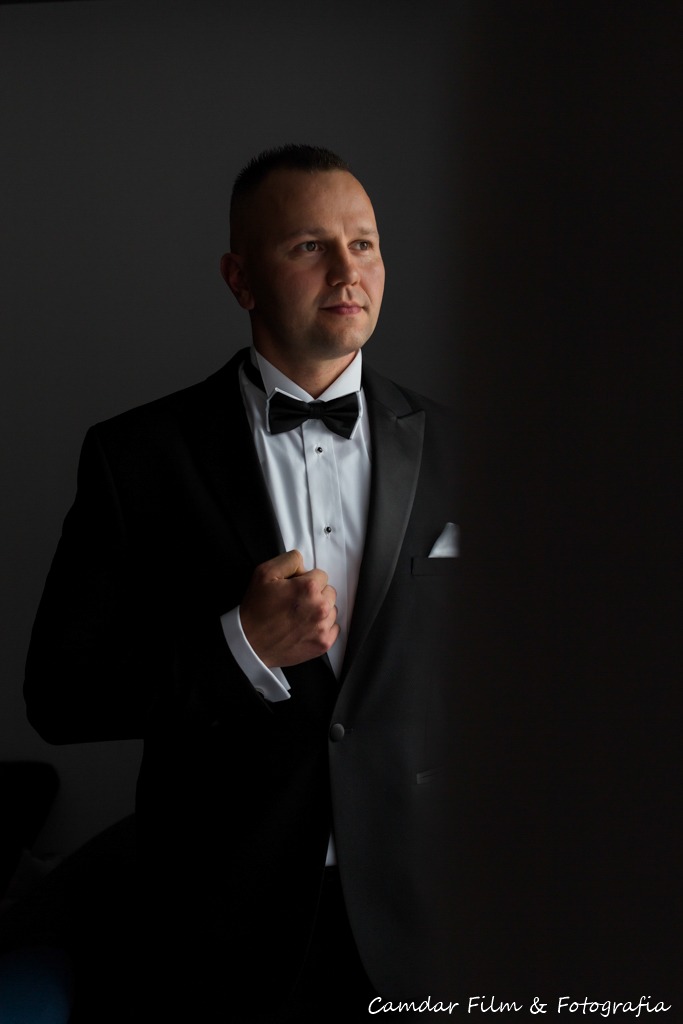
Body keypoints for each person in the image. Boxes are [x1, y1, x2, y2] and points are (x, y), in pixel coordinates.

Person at [24, 144, 459, 1021]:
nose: (346, 271)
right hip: (219, 925)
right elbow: (61, 697)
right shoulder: (135, 457)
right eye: (308, 246)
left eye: (363, 244)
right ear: (240, 277)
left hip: (428, 912)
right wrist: (239, 648)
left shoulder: (468, 448)